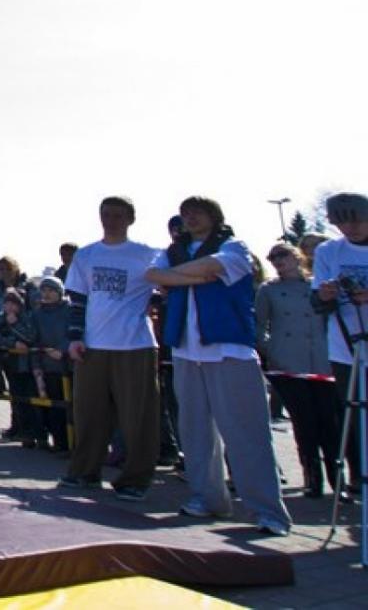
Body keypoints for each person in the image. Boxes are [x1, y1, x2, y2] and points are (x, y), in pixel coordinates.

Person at [147, 196, 292, 536]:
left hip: (229, 350)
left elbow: (212, 268)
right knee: (195, 433)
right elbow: (153, 274)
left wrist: (177, 276)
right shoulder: (172, 251)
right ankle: (208, 498)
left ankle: (268, 511)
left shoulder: (234, 246)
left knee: (246, 434)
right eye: (185, 214)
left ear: (214, 216)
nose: (191, 218)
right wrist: (195, 276)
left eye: (198, 212)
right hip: (186, 351)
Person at [59, 197, 161, 500]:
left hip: (135, 345)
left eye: (118, 215)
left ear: (130, 219)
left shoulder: (147, 255)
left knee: (137, 417)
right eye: (106, 214)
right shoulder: (86, 255)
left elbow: (164, 288)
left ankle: (136, 479)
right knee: (89, 413)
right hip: (93, 345)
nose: (111, 220)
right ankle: (84, 472)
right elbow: (77, 300)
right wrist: (75, 338)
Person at [258, 241, 336, 497]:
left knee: (329, 421)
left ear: (297, 257)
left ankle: (337, 479)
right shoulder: (269, 290)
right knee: (304, 422)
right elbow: (259, 325)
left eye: (283, 255)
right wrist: (271, 350)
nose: (278, 261)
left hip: (321, 360)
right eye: (273, 258)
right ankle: (312, 478)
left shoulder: (316, 286)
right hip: (288, 363)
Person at [309, 192, 368, 498]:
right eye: (342, 223)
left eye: (357, 220)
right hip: (346, 347)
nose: (350, 228)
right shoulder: (328, 251)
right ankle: (359, 476)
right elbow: (316, 301)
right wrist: (325, 295)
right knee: (354, 414)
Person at [31, 275, 73, 452]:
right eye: (44, 290)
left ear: (59, 292)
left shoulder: (70, 310)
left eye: (51, 290)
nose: (47, 294)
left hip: (70, 365)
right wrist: (37, 367)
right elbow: (35, 340)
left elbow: (74, 333)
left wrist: (63, 350)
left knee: (73, 408)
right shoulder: (37, 314)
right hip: (49, 366)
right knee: (54, 409)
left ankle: (75, 444)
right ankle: (60, 444)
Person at [0, 290, 39, 446]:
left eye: (14, 303)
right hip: (9, 362)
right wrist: (13, 343)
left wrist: (14, 325)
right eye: (7, 303)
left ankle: (29, 431)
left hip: (27, 364)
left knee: (28, 398)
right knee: (15, 396)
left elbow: (30, 338)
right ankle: (17, 428)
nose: (10, 307)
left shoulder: (27, 318)